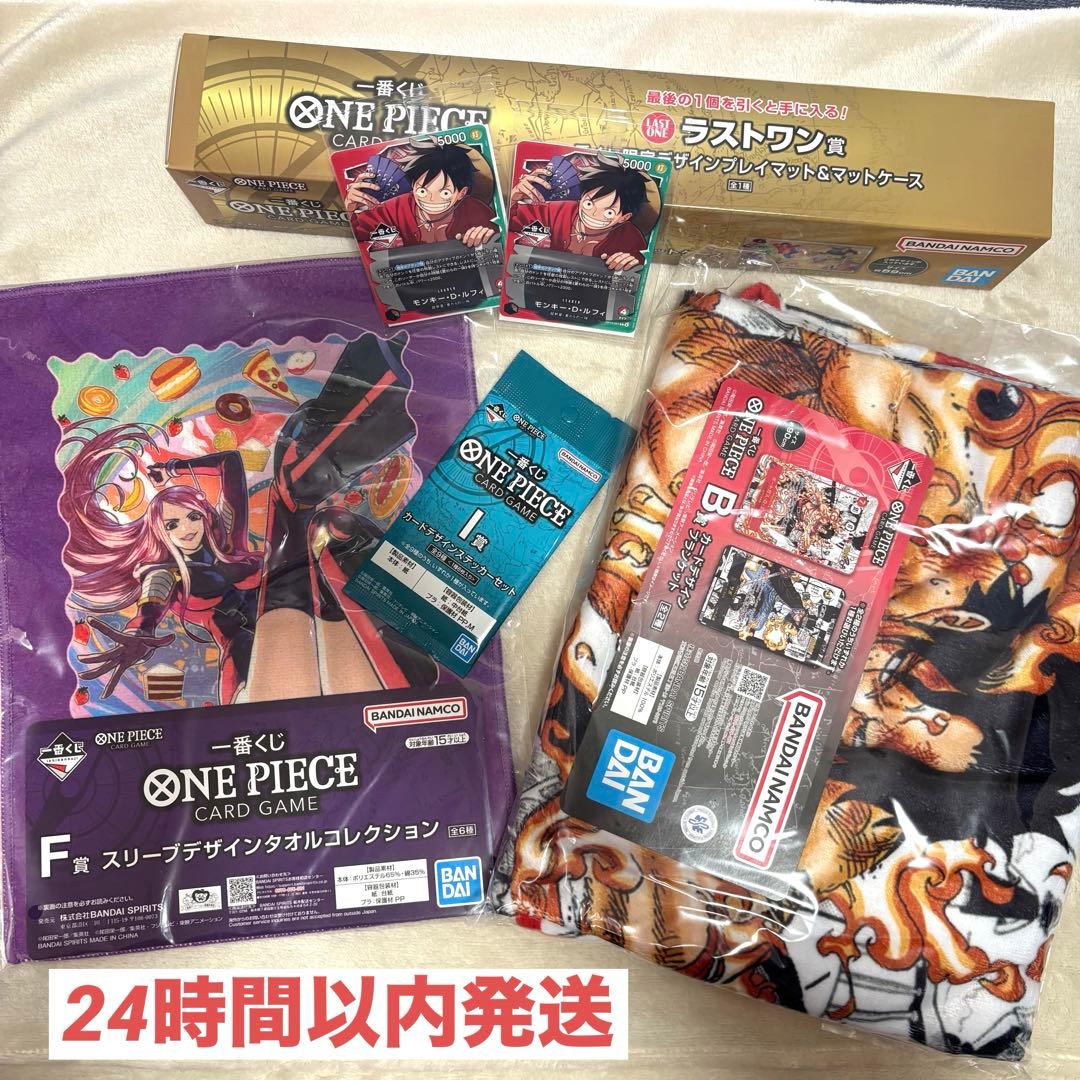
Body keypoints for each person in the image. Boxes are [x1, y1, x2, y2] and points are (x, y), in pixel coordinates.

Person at [61, 333, 432, 706]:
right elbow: (152, 599)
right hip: (254, 668)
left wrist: (176, 468)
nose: (186, 529)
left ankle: (384, 380)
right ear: (160, 533)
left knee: (325, 524)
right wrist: (141, 629)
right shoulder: (167, 571)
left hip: (315, 623)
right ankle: (381, 379)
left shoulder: (229, 545)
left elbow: (231, 464)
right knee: (298, 502)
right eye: (172, 525)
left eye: (192, 516)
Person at [344, 142, 498, 249]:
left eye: (445, 193)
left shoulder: (477, 213)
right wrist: (349, 209)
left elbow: (500, 240)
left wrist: (487, 237)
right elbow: (357, 233)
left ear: (461, 193)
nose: (430, 199)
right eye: (422, 191)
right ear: (413, 186)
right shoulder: (394, 209)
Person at [509, 159, 649, 271]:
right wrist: (513, 197)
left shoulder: (630, 239)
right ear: (582, 197)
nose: (593, 213)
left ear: (624, 217)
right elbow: (511, 220)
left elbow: (639, 269)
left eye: (609, 212)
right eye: (588, 203)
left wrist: (630, 264)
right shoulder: (557, 211)